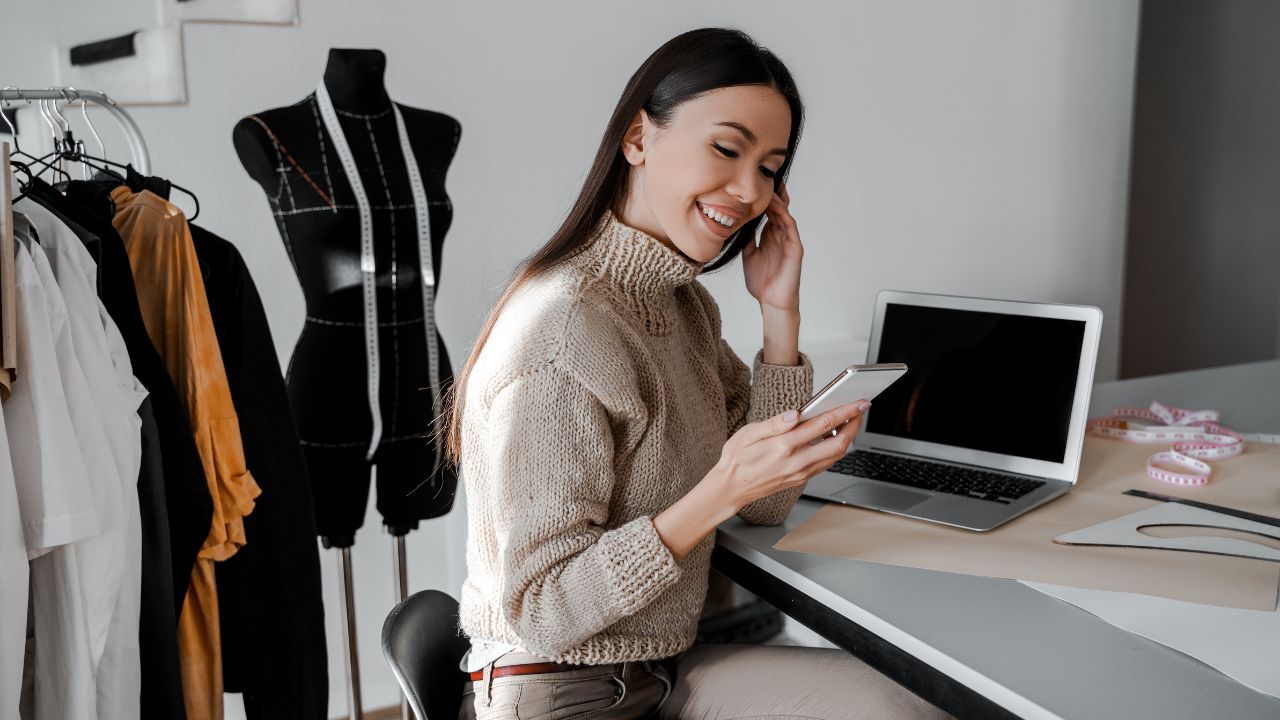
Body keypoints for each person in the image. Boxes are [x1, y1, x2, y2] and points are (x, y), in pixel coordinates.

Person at [441, 27, 950, 720]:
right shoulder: (562, 332)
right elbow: (541, 610)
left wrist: (779, 315)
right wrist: (720, 489)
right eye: (726, 148)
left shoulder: (682, 304)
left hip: (657, 667)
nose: (749, 191)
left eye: (770, 167)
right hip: (557, 689)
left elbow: (765, 503)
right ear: (638, 139)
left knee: (907, 702)